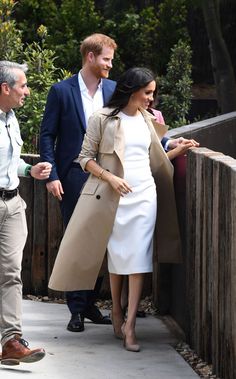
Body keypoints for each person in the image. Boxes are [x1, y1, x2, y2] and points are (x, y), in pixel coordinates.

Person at [48, 67, 197, 352]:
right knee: (118, 257)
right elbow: (84, 159)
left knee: (139, 258)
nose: (151, 99)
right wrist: (112, 178)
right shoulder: (102, 118)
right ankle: (116, 310)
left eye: (153, 93)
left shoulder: (147, 119)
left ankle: (130, 326)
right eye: (147, 93)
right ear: (132, 91)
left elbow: (153, 159)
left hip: (145, 196)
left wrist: (178, 150)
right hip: (114, 197)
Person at [40, 33, 117, 333]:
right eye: (106, 59)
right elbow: (47, 135)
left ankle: (89, 303)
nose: (110, 65)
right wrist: (53, 176)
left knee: (100, 241)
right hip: (72, 176)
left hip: (106, 176)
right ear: (90, 57)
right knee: (75, 239)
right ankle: (75, 309)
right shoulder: (61, 91)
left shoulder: (113, 89)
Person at [0, 61, 52, 365]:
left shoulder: (12, 118)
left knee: (10, 274)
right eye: (23, 85)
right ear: (5, 88)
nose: (27, 91)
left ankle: (11, 341)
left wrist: (30, 170)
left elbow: (11, 162)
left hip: (13, 204)